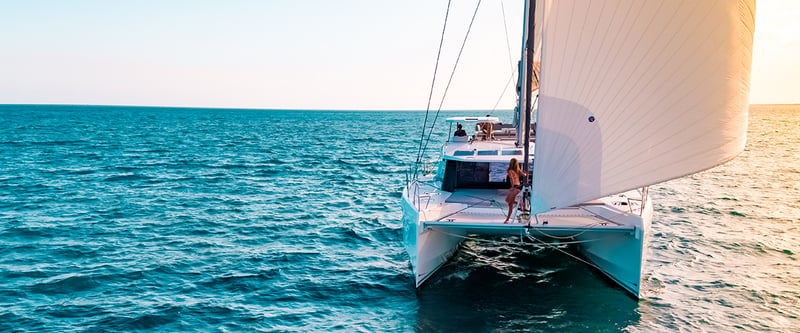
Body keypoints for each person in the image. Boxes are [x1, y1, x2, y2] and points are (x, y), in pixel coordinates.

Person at [504, 158, 527, 223]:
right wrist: (524, 172)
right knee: (507, 200)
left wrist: (512, 187)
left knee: (510, 203)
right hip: (518, 186)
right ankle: (519, 203)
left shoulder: (509, 170)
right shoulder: (517, 169)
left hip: (515, 187)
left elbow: (512, 179)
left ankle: (507, 219)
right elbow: (524, 175)